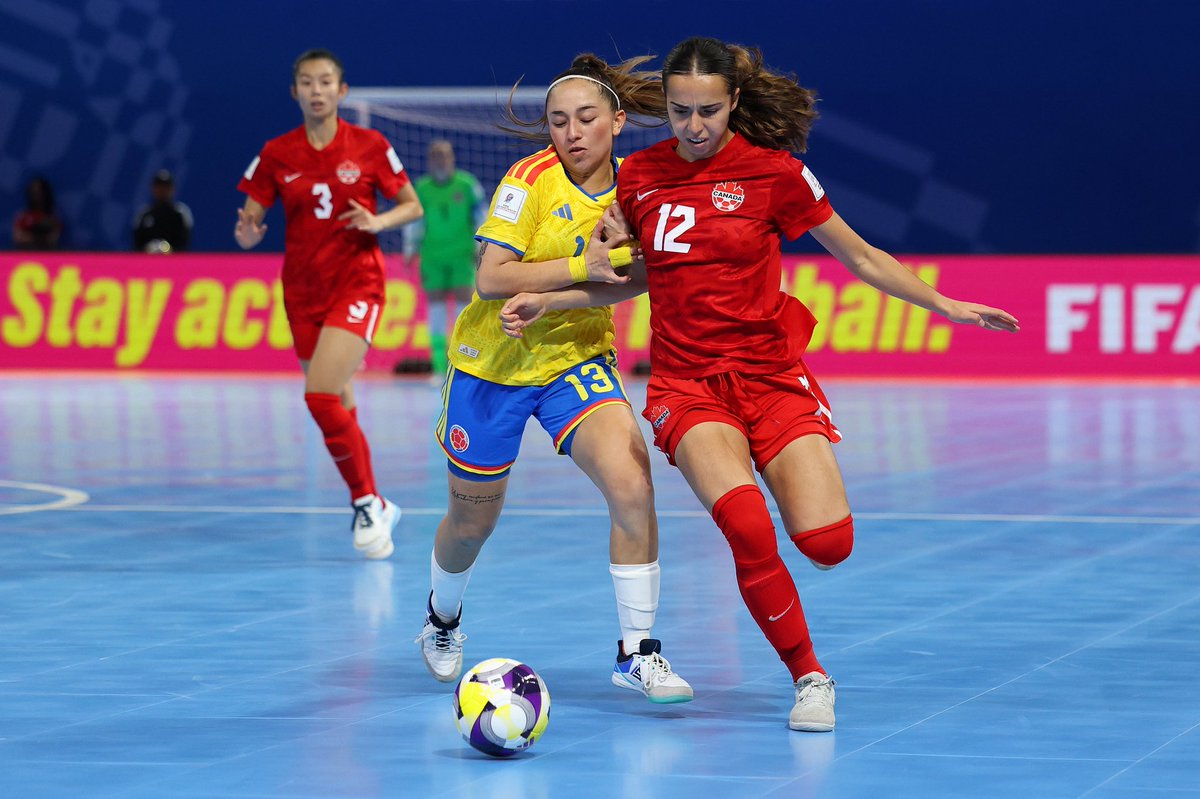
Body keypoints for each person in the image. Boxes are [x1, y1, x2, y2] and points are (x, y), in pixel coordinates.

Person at [500, 36, 1020, 731]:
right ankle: (810, 676)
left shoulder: (776, 173)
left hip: (771, 377)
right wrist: (553, 298)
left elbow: (861, 255)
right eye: (681, 111)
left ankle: (785, 490)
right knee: (746, 525)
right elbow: (638, 278)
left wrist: (946, 304)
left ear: (734, 101)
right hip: (687, 385)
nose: (693, 126)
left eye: (708, 111)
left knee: (828, 543)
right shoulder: (641, 177)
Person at [414, 54, 693, 705]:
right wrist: (579, 263)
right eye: (558, 120)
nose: (571, 132)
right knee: (470, 521)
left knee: (632, 480)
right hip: (492, 368)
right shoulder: (528, 179)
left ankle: (637, 650)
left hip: (576, 360)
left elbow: (642, 277)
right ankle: (443, 616)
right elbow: (491, 277)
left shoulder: (639, 188)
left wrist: (579, 285)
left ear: (618, 121)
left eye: (586, 118)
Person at [234, 48, 423, 559]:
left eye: (325, 82)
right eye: (306, 82)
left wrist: (378, 223)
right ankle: (377, 502)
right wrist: (248, 234)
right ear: (294, 91)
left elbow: (411, 205)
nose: (316, 90)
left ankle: (365, 501)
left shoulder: (369, 144)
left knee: (319, 397)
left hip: (357, 284)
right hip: (301, 291)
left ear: (341, 92)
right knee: (337, 401)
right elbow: (250, 222)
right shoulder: (276, 152)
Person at [404, 140, 487, 377]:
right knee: (436, 309)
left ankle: (462, 365)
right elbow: (414, 221)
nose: (441, 161)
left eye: (445, 156)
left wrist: (480, 246)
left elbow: (482, 216)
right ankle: (440, 368)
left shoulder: (467, 184)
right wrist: (410, 248)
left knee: (465, 309)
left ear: (452, 158)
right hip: (432, 257)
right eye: (436, 157)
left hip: (462, 255)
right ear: (430, 161)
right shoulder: (421, 188)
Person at [133, 169, 194, 253]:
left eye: (166, 186)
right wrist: (149, 250)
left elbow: (184, 245)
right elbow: (136, 246)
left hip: (174, 264)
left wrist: (167, 250)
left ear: (173, 189)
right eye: (159, 186)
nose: (162, 190)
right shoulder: (144, 215)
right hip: (147, 263)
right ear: (153, 188)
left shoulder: (180, 214)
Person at [12, 175, 63, 250]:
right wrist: (35, 237)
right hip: (26, 254)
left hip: (48, 253)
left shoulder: (53, 218)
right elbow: (17, 237)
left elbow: (54, 238)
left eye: (39, 191)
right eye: (34, 192)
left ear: (45, 193)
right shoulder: (22, 217)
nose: (36, 195)